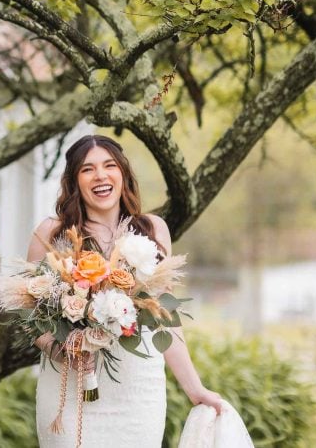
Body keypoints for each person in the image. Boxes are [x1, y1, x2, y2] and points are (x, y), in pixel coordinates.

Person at [27, 134, 223, 447]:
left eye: (109, 166)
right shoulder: (52, 233)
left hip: (137, 388)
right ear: (74, 181)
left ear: (123, 174)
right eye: (88, 169)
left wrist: (195, 389)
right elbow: (31, 317)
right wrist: (63, 351)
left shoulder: (152, 229)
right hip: (70, 387)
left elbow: (165, 316)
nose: (101, 175)